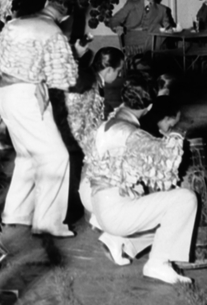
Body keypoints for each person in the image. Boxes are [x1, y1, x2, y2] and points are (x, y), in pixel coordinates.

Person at [82, 79, 197, 285]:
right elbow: (167, 166)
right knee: (186, 200)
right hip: (115, 212)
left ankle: (120, 242)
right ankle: (158, 264)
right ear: (149, 106)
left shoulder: (111, 121)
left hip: (97, 204)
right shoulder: (131, 133)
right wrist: (176, 134)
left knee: (169, 225)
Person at [0, 0, 78, 238]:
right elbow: (65, 79)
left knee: (27, 156)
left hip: (5, 93)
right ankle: (48, 222)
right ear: (66, 15)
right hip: (28, 95)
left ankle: (16, 213)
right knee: (56, 156)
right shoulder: (53, 32)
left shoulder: (16, 23)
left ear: (47, 2)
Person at [108, 0, 174, 54]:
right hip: (133, 41)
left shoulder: (162, 9)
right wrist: (117, 27)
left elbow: (167, 26)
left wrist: (169, 29)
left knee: (158, 28)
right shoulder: (131, 4)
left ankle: (149, 55)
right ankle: (150, 55)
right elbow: (115, 20)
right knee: (157, 31)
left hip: (153, 40)